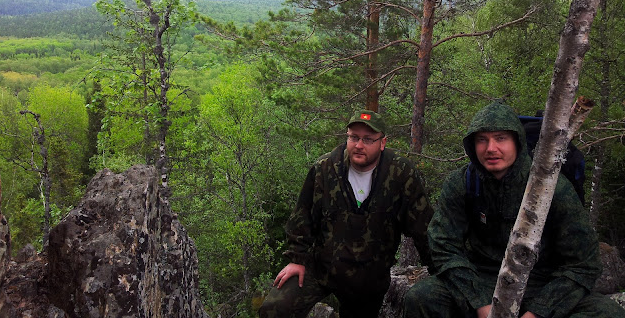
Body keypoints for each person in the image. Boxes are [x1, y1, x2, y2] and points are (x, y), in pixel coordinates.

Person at [404, 101, 625, 318]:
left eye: (501, 138)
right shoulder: (464, 182)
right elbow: (443, 246)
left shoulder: (551, 187)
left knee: (608, 313)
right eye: (482, 140)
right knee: (423, 297)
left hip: (542, 282)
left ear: (517, 141)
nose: (491, 148)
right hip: (484, 278)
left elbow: (584, 263)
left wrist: (539, 311)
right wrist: (479, 301)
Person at [259, 109, 434, 318]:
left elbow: (424, 226)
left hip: (368, 278)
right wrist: (297, 259)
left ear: (383, 142)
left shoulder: (400, 173)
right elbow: (302, 215)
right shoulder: (326, 168)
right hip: (323, 267)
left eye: (368, 139)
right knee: (275, 309)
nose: (359, 145)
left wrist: (438, 270)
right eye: (353, 137)